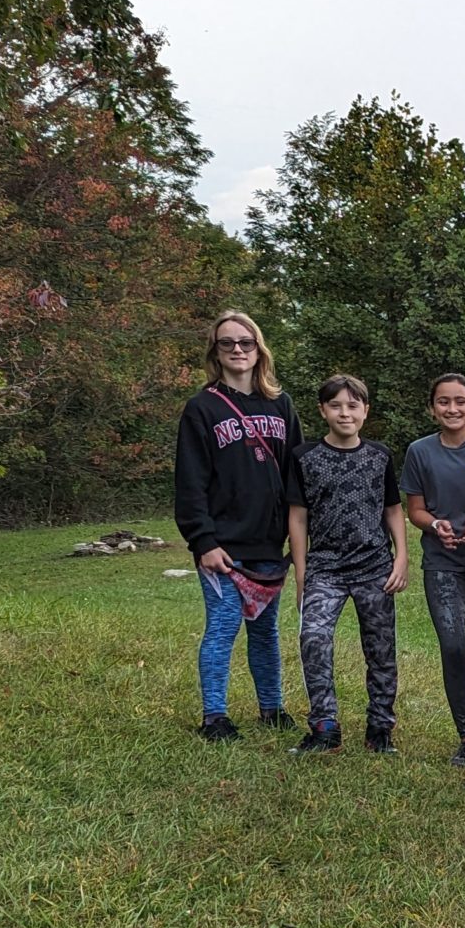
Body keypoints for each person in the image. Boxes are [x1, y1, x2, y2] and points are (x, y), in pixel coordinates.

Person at [173, 310, 299, 741]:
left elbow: (296, 474)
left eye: (245, 342)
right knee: (223, 628)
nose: (238, 350)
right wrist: (203, 539)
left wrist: (296, 536)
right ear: (216, 352)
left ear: (259, 347)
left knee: (265, 631)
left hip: (269, 543)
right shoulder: (202, 408)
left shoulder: (280, 405)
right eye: (228, 343)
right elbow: (190, 482)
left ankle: (272, 707)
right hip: (223, 545)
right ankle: (215, 716)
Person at [284, 373, 405, 755]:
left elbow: (393, 508)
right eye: (335, 405)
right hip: (325, 568)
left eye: (353, 405)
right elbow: (298, 517)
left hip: (374, 566)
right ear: (323, 410)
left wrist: (401, 557)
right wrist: (302, 575)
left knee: (381, 649)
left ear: (365, 411)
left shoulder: (379, 455)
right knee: (314, 639)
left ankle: (380, 728)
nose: (344, 412)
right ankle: (324, 726)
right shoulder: (304, 457)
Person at [400, 373, 465, 765]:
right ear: (433, 408)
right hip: (443, 563)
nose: (452, 409)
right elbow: (415, 509)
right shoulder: (420, 452)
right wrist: (435, 525)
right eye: (443, 402)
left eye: (460, 401)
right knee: (454, 645)